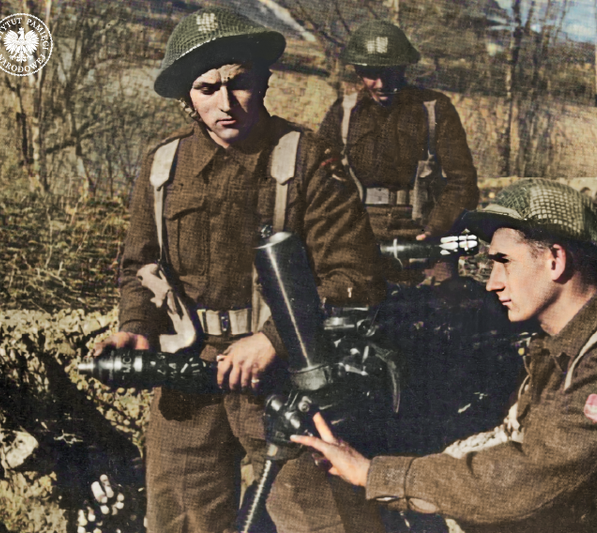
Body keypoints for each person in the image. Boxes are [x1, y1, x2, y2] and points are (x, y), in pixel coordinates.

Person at [293, 179, 597, 533]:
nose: (491, 282)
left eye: (504, 262)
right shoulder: (557, 348)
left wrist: (377, 474)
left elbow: (525, 480)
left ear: (556, 261)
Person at [93, 7, 386, 533]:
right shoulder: (162, 167)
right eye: (207, 88)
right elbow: (141, 266)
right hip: (186, 377)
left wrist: (273, 337)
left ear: (263, 81)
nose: (225, 103)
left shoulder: (307, 159)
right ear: (188, 96)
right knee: (179, 520)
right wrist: (137, 330)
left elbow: (354, 276)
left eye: (238, 83)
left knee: (320, 522)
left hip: (286, 376)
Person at [317, 20, 479, 283]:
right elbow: (319, 178)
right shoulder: (344, 113)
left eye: (390, 73)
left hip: (424, 234)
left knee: (440, 307)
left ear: (403, 68)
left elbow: (463, 182)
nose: (381, 84)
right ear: (358, 70)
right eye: (371, 73)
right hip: (358, 233)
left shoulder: (435, 109)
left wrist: (436, 227)